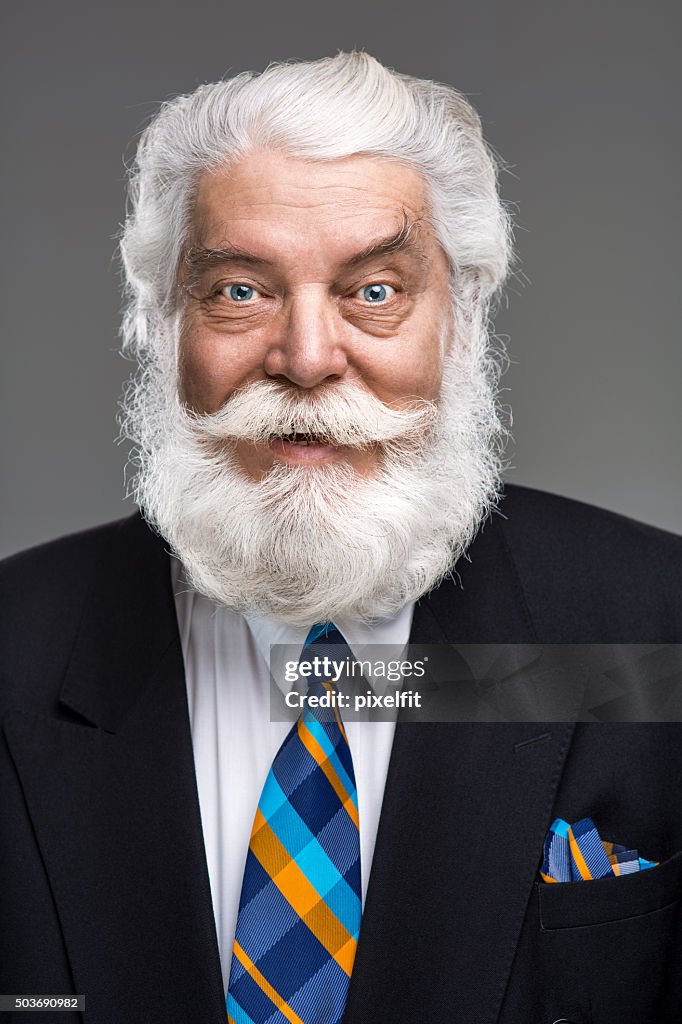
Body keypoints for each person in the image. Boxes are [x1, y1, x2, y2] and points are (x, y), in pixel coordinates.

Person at [1, 52, 681, 1024]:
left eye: (373, 291)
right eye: (239, 290)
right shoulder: (13, 646)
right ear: (156, 321)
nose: (308, 359)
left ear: (463, 315)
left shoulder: (657, 625)